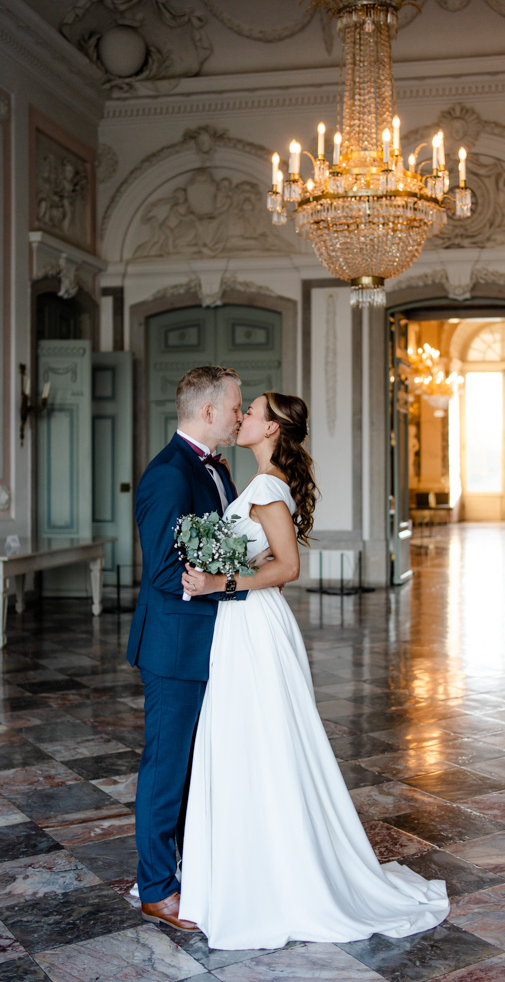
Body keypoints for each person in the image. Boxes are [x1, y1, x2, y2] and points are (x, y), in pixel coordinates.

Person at [178, 392, 450, 949]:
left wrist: (217, 582)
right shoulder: (258, 483)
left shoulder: (267, 488)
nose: (242, 416)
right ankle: (247, 869)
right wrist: (223, 566)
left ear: (272, 429)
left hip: (255, 625)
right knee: (245, 739)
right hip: (241, 623)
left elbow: (288, 567)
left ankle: (278, 877)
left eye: (252, 411)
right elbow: (260, 556)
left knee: (265, 741)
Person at [128, 365, 254, 932]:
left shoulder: (217, 467)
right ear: (208, 411)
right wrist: (235, 580)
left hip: (212, 642)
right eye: (235, 406)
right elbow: (162, 571)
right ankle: (156, 888)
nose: (239, 415)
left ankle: (188, 867)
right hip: (176, 647)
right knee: (166, 768)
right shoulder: (168, 475)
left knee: (198, 765)